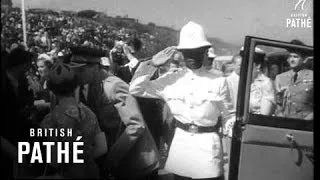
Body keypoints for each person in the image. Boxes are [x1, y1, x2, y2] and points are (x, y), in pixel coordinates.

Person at [130, 21, 233, 180]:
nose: (191, 56)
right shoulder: (170, 80)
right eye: (187, 51)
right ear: (181, 53)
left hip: (208, 149)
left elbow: (228, 116)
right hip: (181, 146)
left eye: (197, 51)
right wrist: (151, 65)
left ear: (205, 52)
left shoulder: (218, 81)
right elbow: (135, 89)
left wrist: (230, 143)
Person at [66, 46, 160, 180]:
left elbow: (135, 126)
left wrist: (111, 158)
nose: (76, 74)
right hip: (112, 163)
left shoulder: (114, 85)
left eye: (80, 70)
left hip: (135, 163)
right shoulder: (81, 87)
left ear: (94, 67)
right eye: (74, 70)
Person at [40, 61, 108, 179]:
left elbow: (55, 160)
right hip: (91, 172)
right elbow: (102, 148)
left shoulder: (50, 120)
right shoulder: (89, 113)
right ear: (75, 86)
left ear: (52, 89)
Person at [275, 40, 313, 120]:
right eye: (289, 56)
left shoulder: (312, 77)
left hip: (307, 125)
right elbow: (278, 105)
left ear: (304, 59)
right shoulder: (280, 78)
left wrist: (306, 121)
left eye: (295, 57)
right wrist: (282, 118)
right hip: (285, 123)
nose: (291, 60)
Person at [248, 48, 276, 115]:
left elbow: (265, 113)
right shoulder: (244, 80)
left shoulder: (266, 83)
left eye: (248, 63)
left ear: (258, 65)